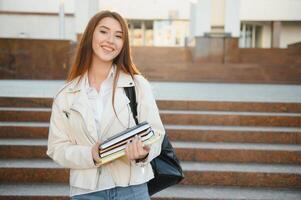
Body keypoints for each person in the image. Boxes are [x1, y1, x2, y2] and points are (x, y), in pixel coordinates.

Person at [46, 10, 165, 200]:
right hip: (86, 192)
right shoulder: (66, 94)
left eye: (119, 36)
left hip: (132, 189)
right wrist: (90, 154)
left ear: (123, 45)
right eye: (104, 32)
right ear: (90, 35)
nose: (111, 40)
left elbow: (157, 134)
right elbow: (56, 148)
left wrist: (143, 154)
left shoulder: (137, 85)